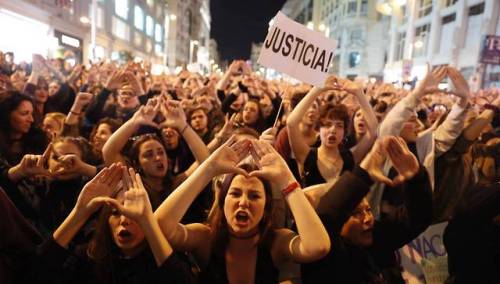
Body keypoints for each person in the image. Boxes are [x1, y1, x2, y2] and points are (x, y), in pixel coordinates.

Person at [154, 138, 331, 284]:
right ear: (223, 201)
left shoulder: (277, 241)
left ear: (266, 207)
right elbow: (159, 228)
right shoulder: (205, 238)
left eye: (254, 196)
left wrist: (287, 180)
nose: (244, 202)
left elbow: (318, 247)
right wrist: (208, 169)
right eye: (235, 193)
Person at [301, 136, 433, 283]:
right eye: (356, 213)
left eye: (368, 210)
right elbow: (327, 216)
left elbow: (417, 217)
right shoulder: (325, 258)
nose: (368, 218)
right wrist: (363, 174)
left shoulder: (376, 240)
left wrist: (416, 177)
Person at [37, 163, 196, 283]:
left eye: (134, 214)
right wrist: (79, 213)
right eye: (115, 212)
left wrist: (147, 221)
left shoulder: (166, 257)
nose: (124, 220)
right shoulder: (88, 257)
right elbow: (36, 272)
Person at [287, 76, 378, 186]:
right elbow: (291, 123)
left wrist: (359, 93)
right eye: (327, 125)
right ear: (318, 129)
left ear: (345, 131)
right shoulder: (306, 155)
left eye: (339, 125)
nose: (333, 130)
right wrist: (317, 89)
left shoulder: (350, 157)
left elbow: (373, 130)